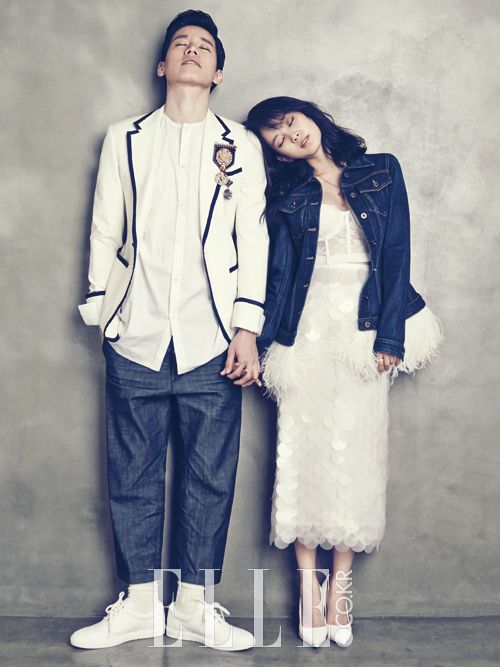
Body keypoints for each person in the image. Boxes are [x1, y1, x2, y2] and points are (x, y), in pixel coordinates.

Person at [71, 10, 268, 651]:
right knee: (133, 474)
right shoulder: (124, 138)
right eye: (180, 43)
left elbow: (253, 241)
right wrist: (102, 312)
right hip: (137, 332)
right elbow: (105, 226)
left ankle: (192, 608)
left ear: (217, 72)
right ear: (162, 65)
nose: (191, 50)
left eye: (203, 46)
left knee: (209, 476)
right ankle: (136, 605)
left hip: (214, 339)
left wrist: (246, 327)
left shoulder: (241, 145)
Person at [244, 97, 444, 648]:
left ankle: (340, 588)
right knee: (302, 451)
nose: (291, 136)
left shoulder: (382, 170)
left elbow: (397, 254)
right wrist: (258, 344)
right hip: (307, 331)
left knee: (356, 454)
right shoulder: (287, 196)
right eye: (277, 138)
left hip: (362, 330)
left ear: (310, 116)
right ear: (277, 155)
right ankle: (307, 587)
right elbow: (279, 274)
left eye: (290, 122)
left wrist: (389, 337)